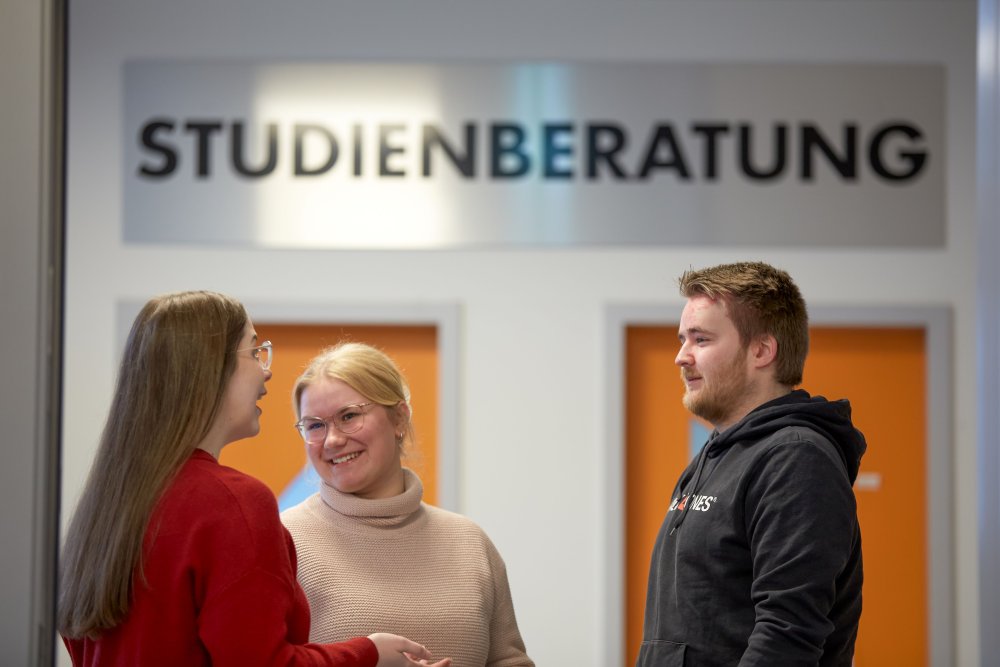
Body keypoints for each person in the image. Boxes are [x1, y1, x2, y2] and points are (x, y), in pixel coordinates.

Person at [57, 291, 447, 667]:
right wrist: (369, 652)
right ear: (211, 367)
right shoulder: (233, 502)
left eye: (349, 417)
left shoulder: (106, 509)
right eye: (254, 351)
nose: (267, 368)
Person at [636, 262, 866, 667]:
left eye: (700, 339)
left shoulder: (796, 458)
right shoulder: (715, 456)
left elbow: (786, 635)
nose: (681, 357)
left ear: (762, 350)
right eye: (681, 339)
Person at [281, 342, 534, 667]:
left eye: (349, 416)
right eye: (315, 425)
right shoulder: (284, 540)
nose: (332, 440)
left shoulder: (470, 542)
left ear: (400, 418)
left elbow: (509, 660)